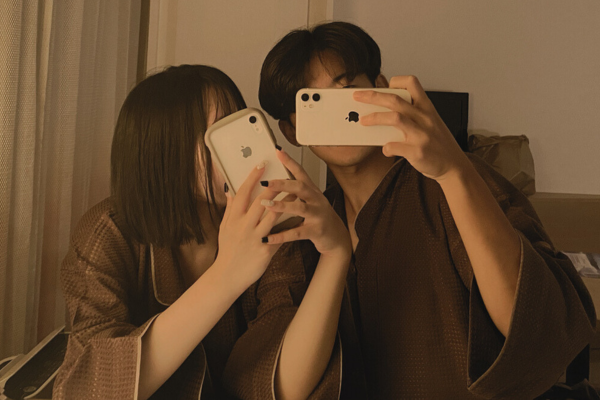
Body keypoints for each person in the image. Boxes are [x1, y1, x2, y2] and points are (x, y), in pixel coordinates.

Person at [222, 22, 597, 399]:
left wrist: (454, 172)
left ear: (382, 88)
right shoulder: (307, 227)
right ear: (292, 130)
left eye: (347, 90)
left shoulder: (452, 180)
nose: (339, 114)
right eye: (314, 102)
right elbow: (267, 375)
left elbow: (538, 328)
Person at [52, 64, 351, 400]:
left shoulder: (273, 221)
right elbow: (89, 387)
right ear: (160, 151)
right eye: (215, 135)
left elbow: (283, 386)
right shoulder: (108, 232)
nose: (240, 148)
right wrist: (227, 275)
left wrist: (336, 253)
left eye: (236, 124)